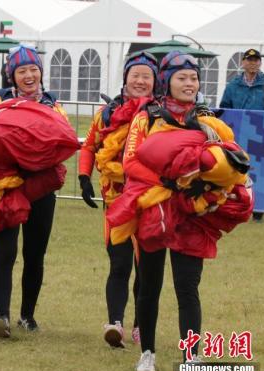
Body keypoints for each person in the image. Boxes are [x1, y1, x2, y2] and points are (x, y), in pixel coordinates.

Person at [106, 51, 252, 371]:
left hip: (192, 215)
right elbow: (131, 163)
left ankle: (191, 358)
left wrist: (205, 185)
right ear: (166, 81)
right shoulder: (147, 117)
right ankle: (147, 353)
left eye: (193, 78)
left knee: (187, 288)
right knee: (150, 286)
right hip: (154, 209)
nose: (189, 83)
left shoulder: (208, 120)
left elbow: (227, 161)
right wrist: (169, 182)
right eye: (182, 77)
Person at [0, 45, 79, 338]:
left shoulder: (53, 106)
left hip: (40, 189)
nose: (28, 75)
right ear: (12, 75)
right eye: (22, 71)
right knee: (5, 253)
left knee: (35, 253)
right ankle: (2, 316)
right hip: (4, 187)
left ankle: (28, 315)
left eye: (33, 69)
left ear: (41, 72)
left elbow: (63, 142)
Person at [78, 52, 159, 348]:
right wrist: (84, 177)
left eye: (146, 76)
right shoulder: (106, 114)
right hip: (115, 200)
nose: (140, 80)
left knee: (146, 266)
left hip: (151, 200)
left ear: (155, 81)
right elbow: (89, 146)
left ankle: (141, 324)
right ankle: (115, 323)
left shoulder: (159, 115)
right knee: (119, 263)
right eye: (135, 75)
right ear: (125, 78)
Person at [220, 48, 264, 221]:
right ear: (243, 63)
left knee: (260, 172)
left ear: (260, 63)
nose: (253, 63)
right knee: (237, 168)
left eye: (256, 60)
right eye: (249, 60)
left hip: (261, 135)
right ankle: (235, 205)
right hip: (237, 134)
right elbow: (225, 107)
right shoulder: (232, 85)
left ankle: (258, 210)